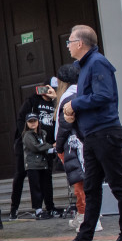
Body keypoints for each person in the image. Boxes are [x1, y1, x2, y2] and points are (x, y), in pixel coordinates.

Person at [60, 25, 122, 241]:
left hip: (105, 133)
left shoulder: (97, 63)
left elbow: (104, 96)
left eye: (70, 41)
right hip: (93, 136)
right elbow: (93, 98)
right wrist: (73, 113)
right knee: (92, 188)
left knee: (119, 185)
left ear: (80, 43)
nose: (68, 46)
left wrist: (75, 104)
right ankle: (83, 240)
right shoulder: (85, 67)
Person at [9, 84, 58, 219]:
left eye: (52, 89)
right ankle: (14, 208)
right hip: (28, 147)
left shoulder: (57, 102)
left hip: (46, 146)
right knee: (21, 176)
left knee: (46, 177)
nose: (47, 92)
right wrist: (27, 137)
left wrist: (56, 98)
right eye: (46, 88)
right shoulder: (32, 101)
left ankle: (50, 207)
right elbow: (21, 119)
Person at [53, 63, 87, 230]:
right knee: (80, 183)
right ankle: (82, 215)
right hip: (77, 144)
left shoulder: (68, 98)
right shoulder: (78, 93)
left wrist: (58, 146)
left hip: (73, 145)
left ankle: (87, 219)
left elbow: (65, 125)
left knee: (80, 184)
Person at [22, 113, 57, 219]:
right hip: (33, 165)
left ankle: (50, 208)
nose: (33, 123)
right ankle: (38, 210)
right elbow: (36, 147)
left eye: (34, 121)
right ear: (27, 123)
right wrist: (51, 146)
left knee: (46, 187)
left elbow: (44, 148)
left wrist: (53, 149)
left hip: (44, 164)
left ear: (38, 121)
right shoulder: (27, 135)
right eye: (30, 121)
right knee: (36, 187)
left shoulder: (43, 133)